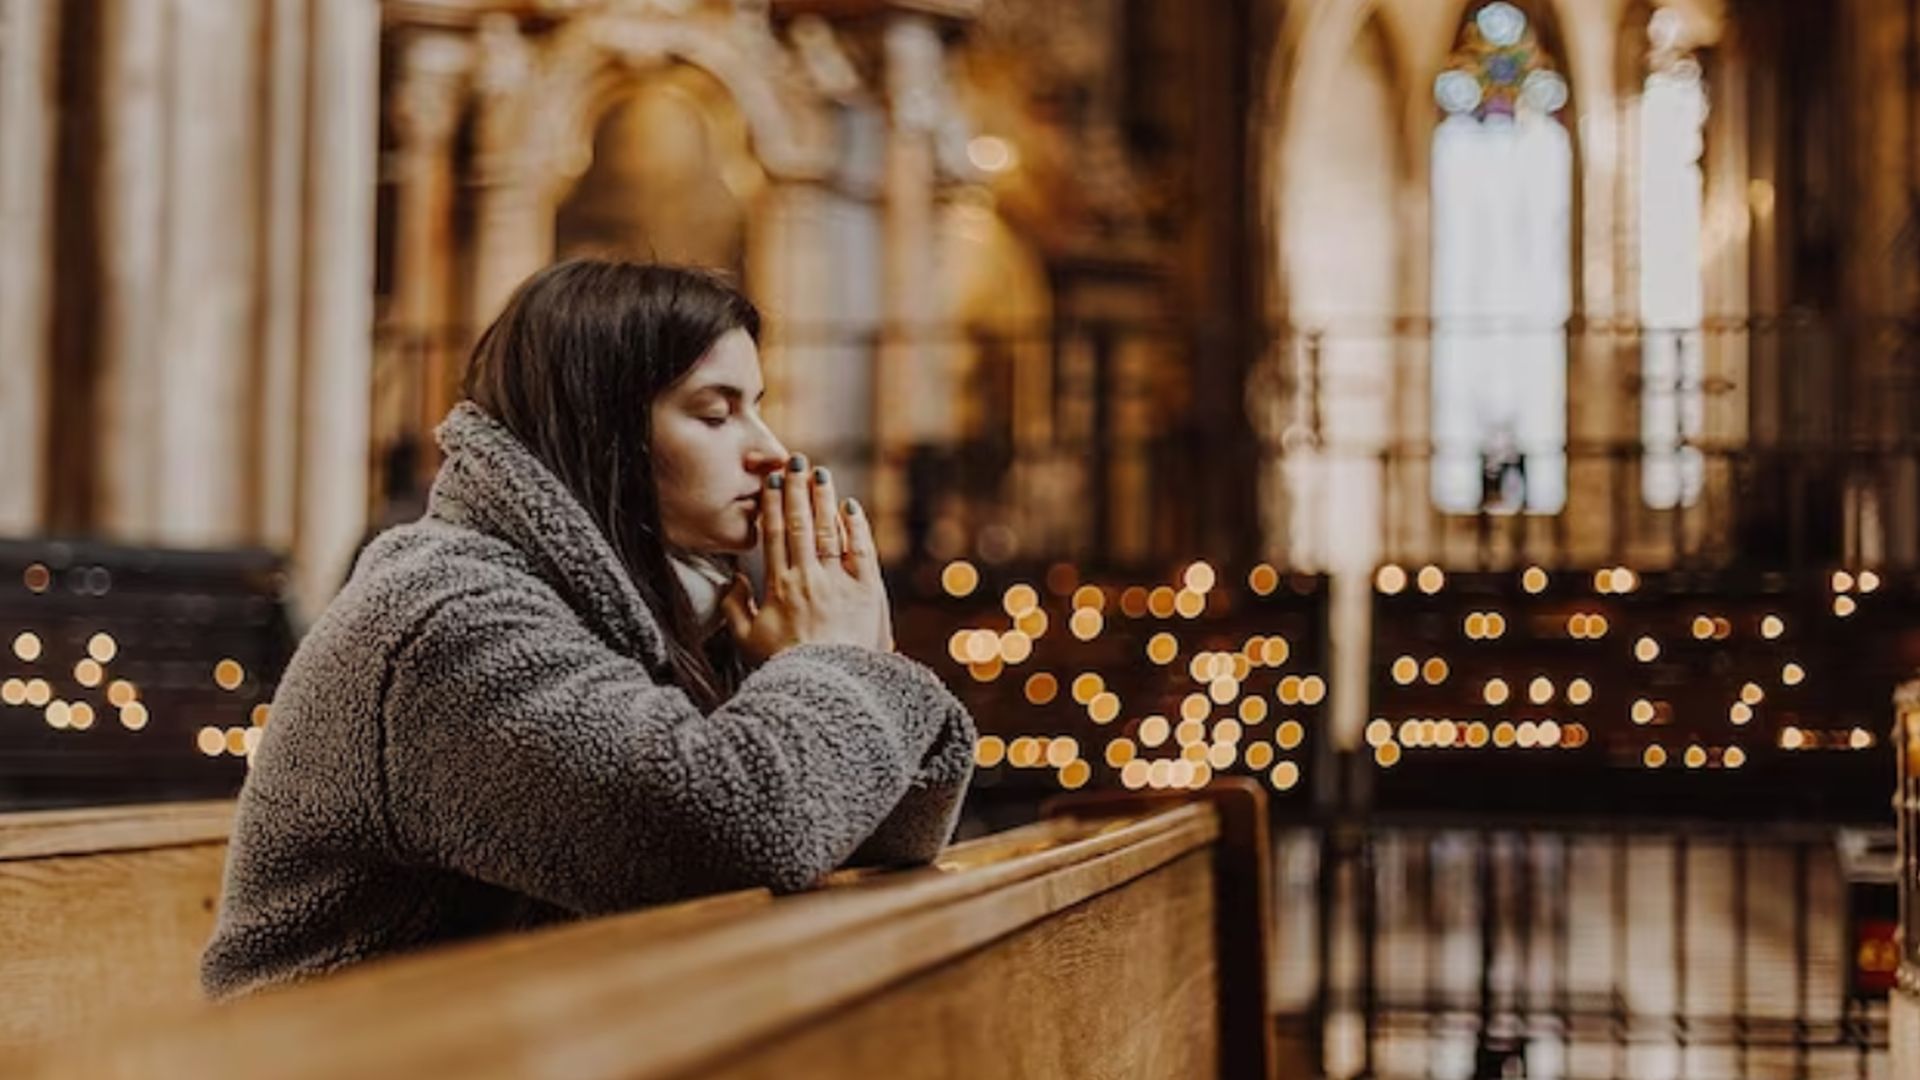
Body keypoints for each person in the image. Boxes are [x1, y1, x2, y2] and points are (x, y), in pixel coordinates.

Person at [202, 259, 976, 999]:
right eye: (716, 412)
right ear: (603, 431)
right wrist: (837, 663)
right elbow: (737, 834)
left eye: (759, 406)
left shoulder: (665, 610)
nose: (771, 452)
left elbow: (880, 842)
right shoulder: (446, 619)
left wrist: (864, 662)